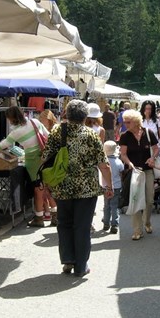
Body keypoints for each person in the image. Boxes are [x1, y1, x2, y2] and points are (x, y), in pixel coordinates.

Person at [42, 100, 113, 277]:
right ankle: (81, 266)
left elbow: (46, 158)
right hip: (86, 189)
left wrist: (46, 185)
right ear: (84, 116)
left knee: (64, 224)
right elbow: (103, 165)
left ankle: (67, 260)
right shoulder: (90, 135)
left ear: (67, 114)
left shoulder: (57, 131)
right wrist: (109, 185)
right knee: (82, 226)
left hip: (62, 186)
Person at [0, 106, 50, 228]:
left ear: (11, 119)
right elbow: (48, 135)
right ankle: (53, 214)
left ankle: (39, 218)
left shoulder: (16, 133)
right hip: (45, 156)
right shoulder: (35, 121)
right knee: (46, 186)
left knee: (38, 189)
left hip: (33, 160)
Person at [119, 109, 160, 240]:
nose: (126, 124)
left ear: (136, 122)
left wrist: (152, 158)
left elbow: (156, 148)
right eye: (124, 122)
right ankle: (137, 230)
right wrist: (129, 163)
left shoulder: (148, 133)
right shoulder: (125, 136)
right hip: (135, 172)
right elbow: (123, 154)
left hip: (148, 170)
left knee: (149, 200)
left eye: (128, 122)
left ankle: (147, 222)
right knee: (135, 199)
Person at [38, 109, 59, 225]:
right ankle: (52, 214)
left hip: (52, 164)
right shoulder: (51, 129)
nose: (41, 121)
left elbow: (49, 150)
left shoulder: (54, 130)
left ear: (48, 119)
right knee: (48, 190)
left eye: (42, 119)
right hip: (52, 163)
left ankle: (55, 215)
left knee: (50, 190)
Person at [102, 140, 123, 234]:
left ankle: (106, 223)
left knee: (106, 205)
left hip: (105, 186)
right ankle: (114, 224)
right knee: (114, 206)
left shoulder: (103, 162)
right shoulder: (118, 162)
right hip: (117, 186)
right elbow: (121, 172)